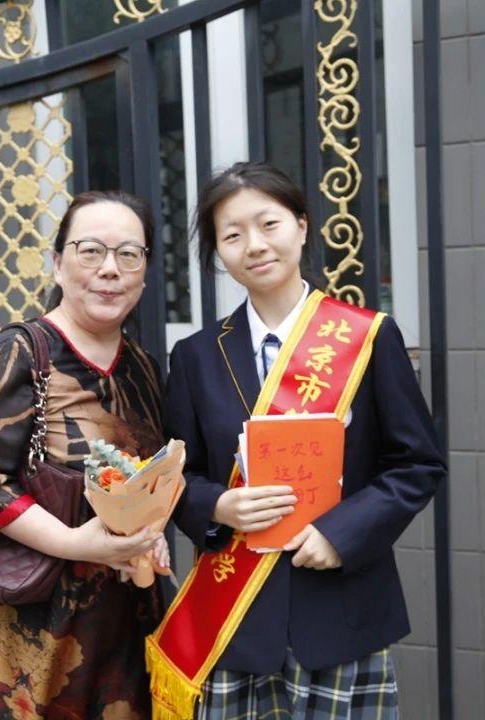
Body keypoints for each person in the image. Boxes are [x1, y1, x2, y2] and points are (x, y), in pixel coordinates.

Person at [150, 162, 446, 720]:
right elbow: (176, 473)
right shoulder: (196, 356)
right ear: (218, 253)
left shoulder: (367, 336)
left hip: (341, 609)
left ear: (302, 225)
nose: (255, 246)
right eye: (232, 235)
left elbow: (416, 464)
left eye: (269, 224)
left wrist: (342, 535)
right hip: (236, 624)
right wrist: (216, 504)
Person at [0, 190, 169, 720]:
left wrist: (150, 531)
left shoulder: (142, 366)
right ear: (57, 263)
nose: (109, 269)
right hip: (36, 623)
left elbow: (149, 476)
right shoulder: (21, 352)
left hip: (126, 616)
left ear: (144, 273)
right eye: (90, 251)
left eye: (128, 254)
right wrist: (74, 542)